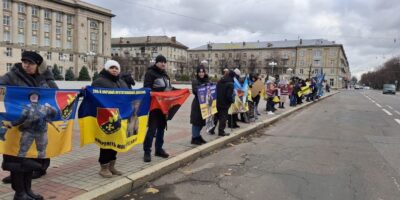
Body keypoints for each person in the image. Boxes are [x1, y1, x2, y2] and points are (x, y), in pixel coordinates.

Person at [0, 51, 57, 200]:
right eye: (24, 62)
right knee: (17, 162)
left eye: (31, 63)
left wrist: (46, 73)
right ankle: (19, 194)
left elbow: (55, 93)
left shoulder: (42, 78)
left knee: (31, 160)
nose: (26, 65)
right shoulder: (12, 76)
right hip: (16, 126)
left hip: (36, 128)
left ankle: (28, 190)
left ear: (39, 65)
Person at [92, 60, 128, 178]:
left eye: (116, 68)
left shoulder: (122, 82)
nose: (114, 70)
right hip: (105, 117)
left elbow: (128, 96)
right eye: (112, 67)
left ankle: (112, 166)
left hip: (119, 117)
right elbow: (93, 95)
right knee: (106, 142)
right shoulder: (99, 82)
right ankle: (104, 167)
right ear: (107, 69)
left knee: (116, 141)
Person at [7, 92, 57, 159]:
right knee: (22, 150)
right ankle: (19, 166)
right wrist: (12, 124)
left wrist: (51, 107)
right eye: (32, 96)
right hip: (28, 131)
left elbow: (54, 114)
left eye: (35, 96)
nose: (33, 97)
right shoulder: (27, 108)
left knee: (42, 151)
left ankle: (41, 167)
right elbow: (21, 119)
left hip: (41, 132)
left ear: (38, 98)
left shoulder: (45, 108)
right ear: (29, 98)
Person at [143, 55, 174, 162]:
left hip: (164, 106)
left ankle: (159, 149)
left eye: (164, 62)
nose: (163, 64)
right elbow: (146, 88)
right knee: (152, 129)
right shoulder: (150, 73)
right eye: (161, 62)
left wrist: (181, 90)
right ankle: (147, 151)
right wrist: (154, 93)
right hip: (155, 106)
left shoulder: (165, 75)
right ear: (156, 62)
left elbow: (169, 88)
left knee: (161, 129)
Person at [209, 70, 235, 136]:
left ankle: (211, 129)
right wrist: (232, 100)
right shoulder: (230, 83)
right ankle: (221, 131)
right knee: (223, 117)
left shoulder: (220, 81)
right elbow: (229, 96)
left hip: (217, 102)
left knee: (216, 116)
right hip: (224, 104)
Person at [190, 65, 209, 145]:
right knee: (196, 122)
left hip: (204, 104)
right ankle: (194, 138)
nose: (201, 74)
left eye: (202, 72)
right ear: (197, 73)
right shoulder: (195, 81)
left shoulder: (206, 80)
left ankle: (197, 136)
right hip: (197, 104)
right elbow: (195, 91)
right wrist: (203, 87)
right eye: (199, 72)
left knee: (202, 122)